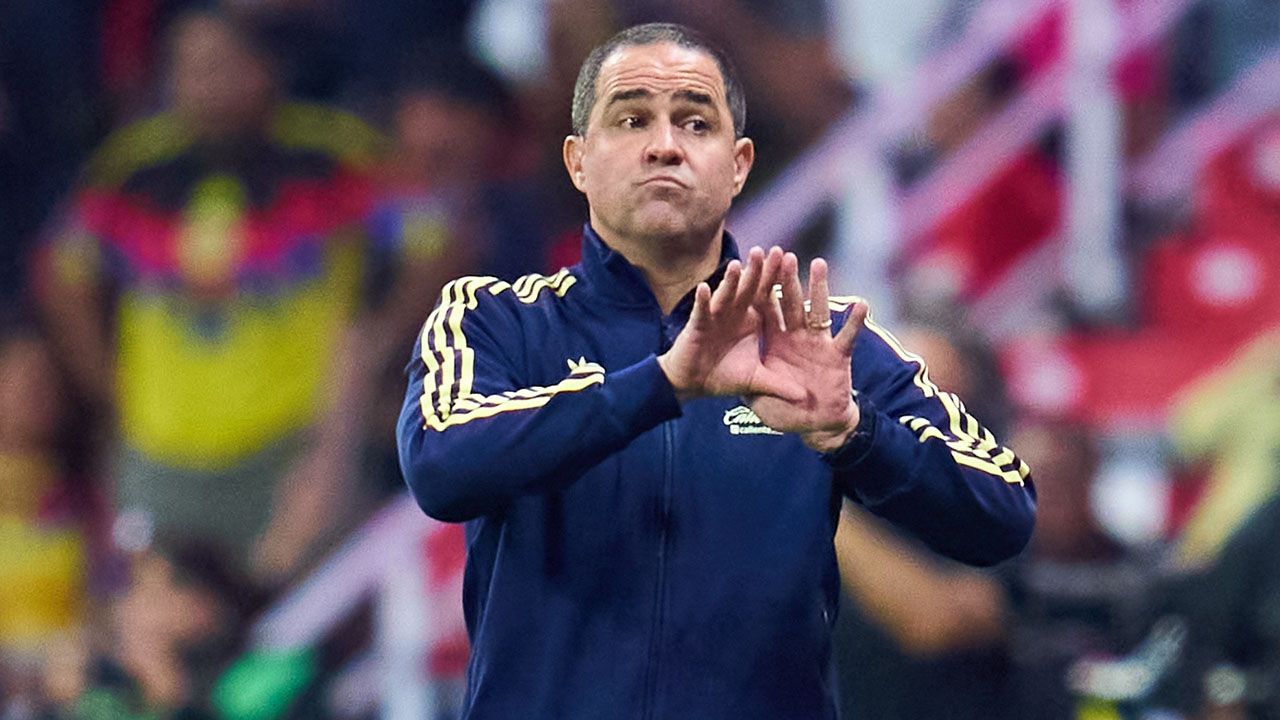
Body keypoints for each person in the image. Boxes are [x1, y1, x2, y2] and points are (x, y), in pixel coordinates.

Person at [397, 22, 1036, 719]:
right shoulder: (495, 320)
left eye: (695, 123)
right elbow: (441, 465)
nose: (664, 145)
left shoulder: (818, 341)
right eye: (631, 120)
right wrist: (660, 384)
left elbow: (1003, 513)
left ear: (738, 165)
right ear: (579, 161)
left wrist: (854, 433)